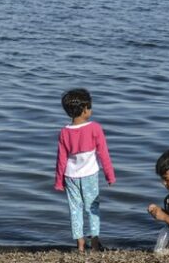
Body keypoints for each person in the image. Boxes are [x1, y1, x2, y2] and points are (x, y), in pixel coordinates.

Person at [54, 88, 116, 252]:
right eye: (89, 107)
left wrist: (59, 182)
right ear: (84, 110)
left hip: (70, 176)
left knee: (75, 210)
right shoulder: (95, 128)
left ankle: (80, 243)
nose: (91, 110)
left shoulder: (64, 132)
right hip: (89, 175)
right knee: (93, 208)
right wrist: (110, 175)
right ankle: (94, 242)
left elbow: (61, 159)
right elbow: (104, 154)